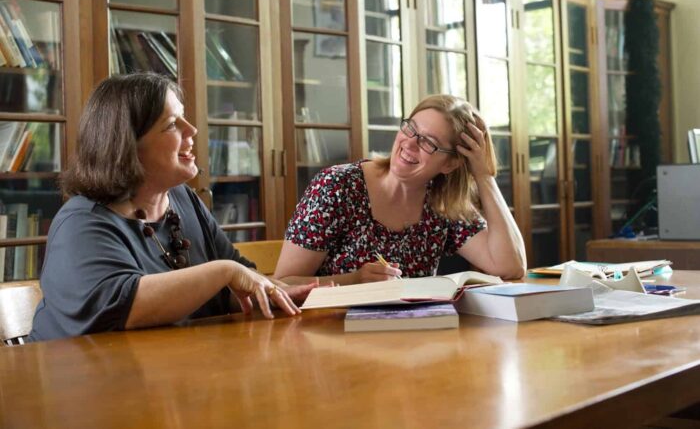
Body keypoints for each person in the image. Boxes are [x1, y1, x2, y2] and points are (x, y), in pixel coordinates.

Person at [29, 73, 314, 341]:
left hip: (170, 374)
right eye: (172, 124)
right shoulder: (81, 222)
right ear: (126, 146)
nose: (192, 129)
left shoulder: (182, 198)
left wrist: (280, 295)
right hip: (85, 386)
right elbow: (122, 307)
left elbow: (232, 288)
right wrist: (223, 271)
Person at [274, 94, 526, 285]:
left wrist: (483, 175)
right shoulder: (336, 186)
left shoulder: (442, 203)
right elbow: (282, 284)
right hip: (327, 336)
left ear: (450, 164)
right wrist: (355, 280)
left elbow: (509, 268)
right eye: (410, 128)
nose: (410, 143)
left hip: (411, 342)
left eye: (429, 142)